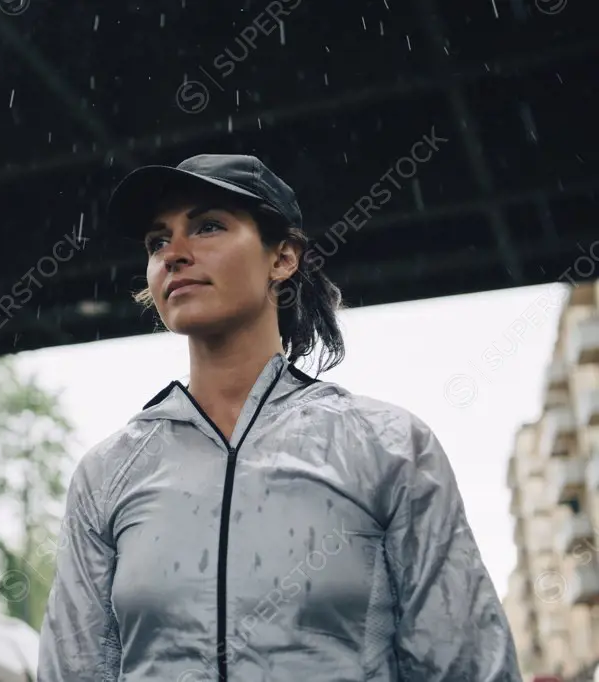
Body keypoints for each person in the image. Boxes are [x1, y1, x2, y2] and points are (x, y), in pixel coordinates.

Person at [36, 154, 521, 681]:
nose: (173, 254)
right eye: (157, 242)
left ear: (283, 257)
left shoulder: (389, 448)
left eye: (208, 227)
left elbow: (468, 667)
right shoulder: (107, 474)